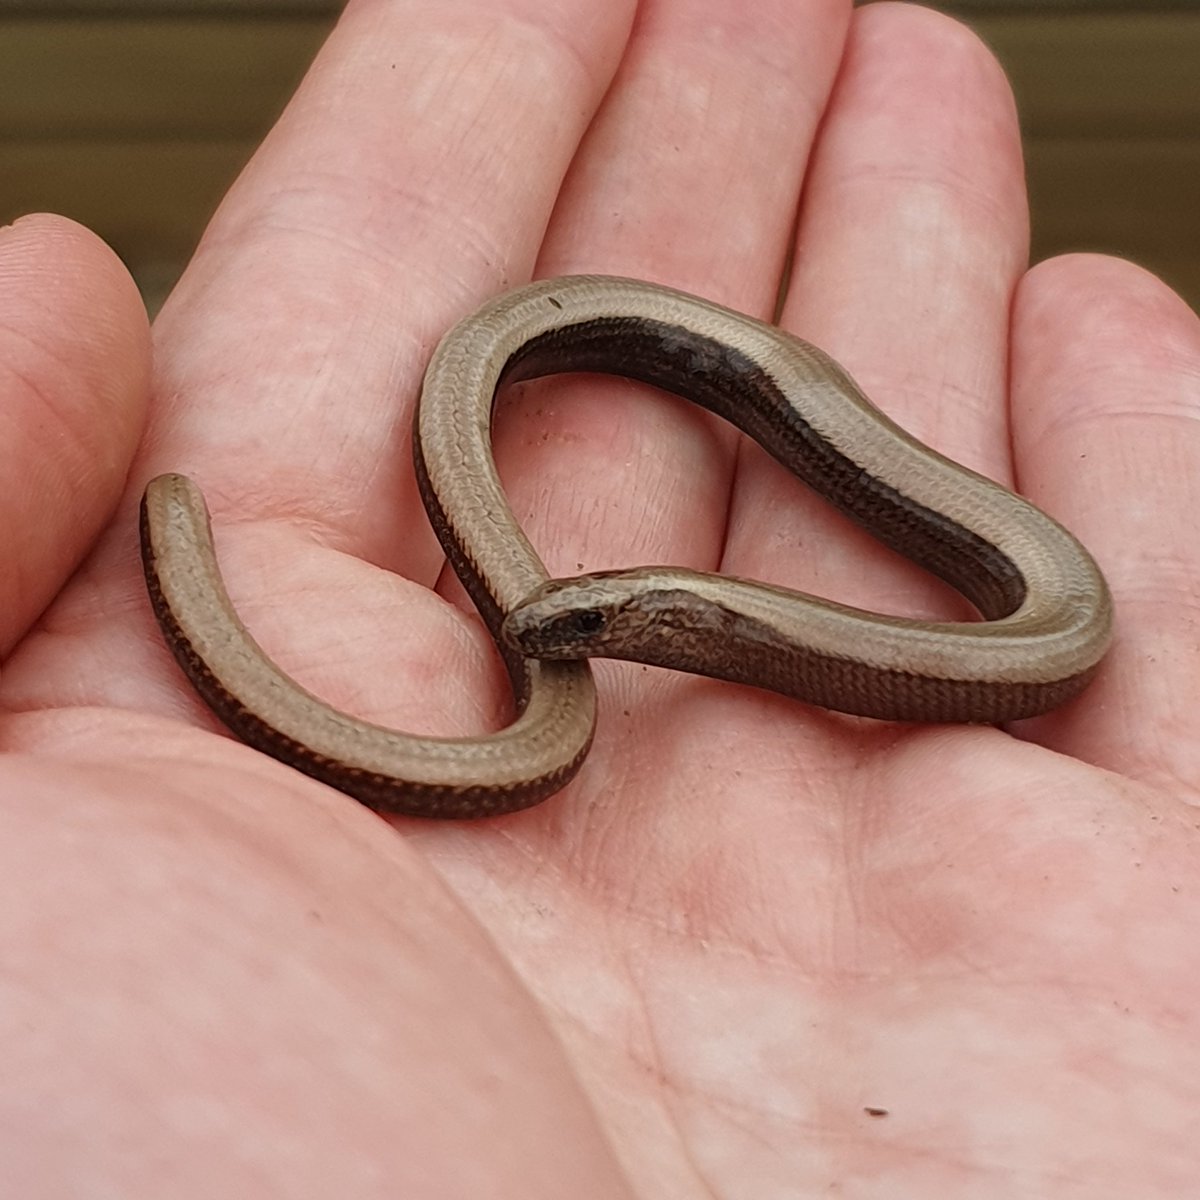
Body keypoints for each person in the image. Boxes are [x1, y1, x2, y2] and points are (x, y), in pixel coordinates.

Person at [3, 0, 1197, 1194]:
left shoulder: (716, 622)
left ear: (668, 628)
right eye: (573, 622)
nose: (555, 634)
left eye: (586, 625)